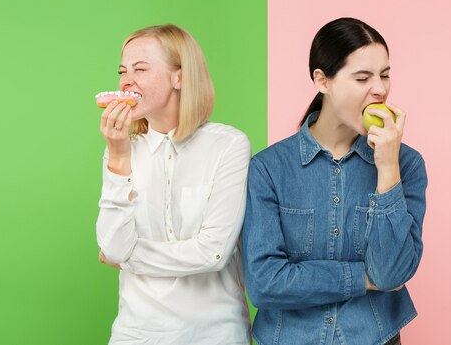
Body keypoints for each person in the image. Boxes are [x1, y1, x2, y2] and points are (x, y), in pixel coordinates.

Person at [241, 17, 428, 345]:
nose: (380, 89)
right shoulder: (269, 169)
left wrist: (387, 171)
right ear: (322, 80)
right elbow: (264, 282)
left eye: (385, 75)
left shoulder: (406, 164)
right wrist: (361, 278)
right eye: (362, 78)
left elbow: (390, 274)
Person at [96, 24, 251, 345]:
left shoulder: (228, 146)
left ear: (179, 77)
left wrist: (128, 259)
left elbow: (213, 254)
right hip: (135, 333)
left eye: (141, 69)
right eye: (123, 71)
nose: (126, 80)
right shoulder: (122, 148)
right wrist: (118, 156)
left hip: (215, 334)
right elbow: (112, 244)